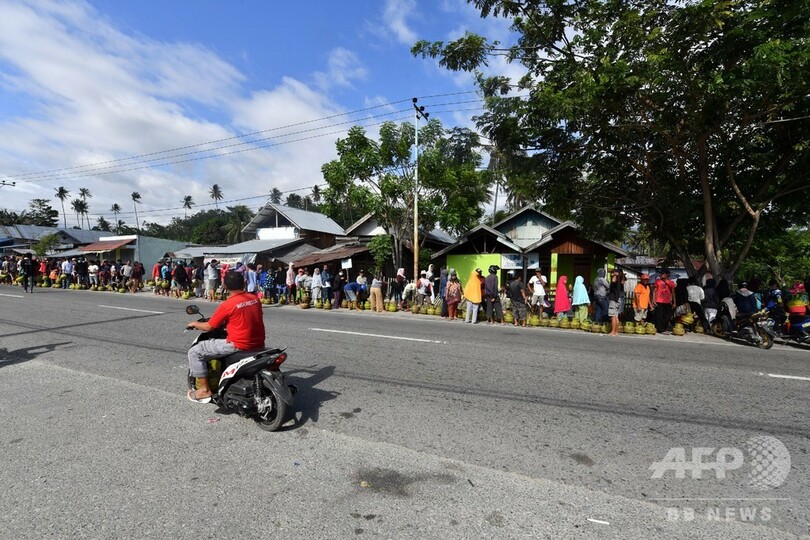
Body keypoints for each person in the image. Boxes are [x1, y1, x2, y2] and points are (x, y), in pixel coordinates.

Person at [186, 271, 265, 403]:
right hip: (258, 344)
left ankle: (204, 390)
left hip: (238, 345)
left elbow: (209, 327)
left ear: (225, 286)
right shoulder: (254, 299)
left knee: (194, 352)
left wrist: (195, 323)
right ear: (244, 283)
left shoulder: (228, 304)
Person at [652, 269, 676, 333]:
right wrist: (653, 300)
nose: (662, 275)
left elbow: (673, 293)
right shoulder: (658, 282)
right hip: (659, 301)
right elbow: (654, 291)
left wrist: (674, 303)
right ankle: (661, 329)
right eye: (661, 274)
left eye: (663, 274)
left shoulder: (671, 283)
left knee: (667, 316)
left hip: (667, 302)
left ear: (667, 275)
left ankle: (663, 327)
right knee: (659, 316)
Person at [607, 269, 625, 336]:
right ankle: (616, 332)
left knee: (613, 316)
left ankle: (613, 332)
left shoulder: (616, 278)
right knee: (616, 316)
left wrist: (614, 275)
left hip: (614, 299)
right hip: (619, 299)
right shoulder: (621, 279)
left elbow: (613, 280)